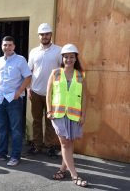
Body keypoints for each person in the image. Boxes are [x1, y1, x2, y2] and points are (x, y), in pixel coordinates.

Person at [46, 44, 87, 187]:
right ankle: (74, 175)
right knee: (65, 143)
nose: (68, 59)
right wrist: (49, 110)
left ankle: (62, 169)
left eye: (71, 57)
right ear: (62, 58)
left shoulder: (80, 75)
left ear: (76, 58)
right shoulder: (56, 72)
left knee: (70, 143)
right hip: (58, 114)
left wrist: (83, 114)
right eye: (66, 57)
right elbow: (49, 93)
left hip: (74, 115)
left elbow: (84, 97)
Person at [0, 36, 31, 166]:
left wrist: (19, 92)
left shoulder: (20, 60)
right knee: (2, 128)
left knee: (16, 129)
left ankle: (15, 156)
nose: (7, 47)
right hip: (0, 99)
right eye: (5, 45)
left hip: (14, 99)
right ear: (2, 46)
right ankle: (1, 154)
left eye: (10, 45)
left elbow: (28, 77)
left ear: (14, 46)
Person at [27, 23, 62, 157]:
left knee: (51, 121)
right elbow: (28, 71)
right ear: (39, 36)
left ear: (51, 35)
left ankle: (50, 146)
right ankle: (37, 145)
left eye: (47, 34)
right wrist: (28, 88)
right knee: (36, 120)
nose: (45, 36)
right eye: (42, 34)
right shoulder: (34, 52)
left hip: (52, 93)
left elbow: (62, 71)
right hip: (35, 92)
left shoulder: (58, 50)